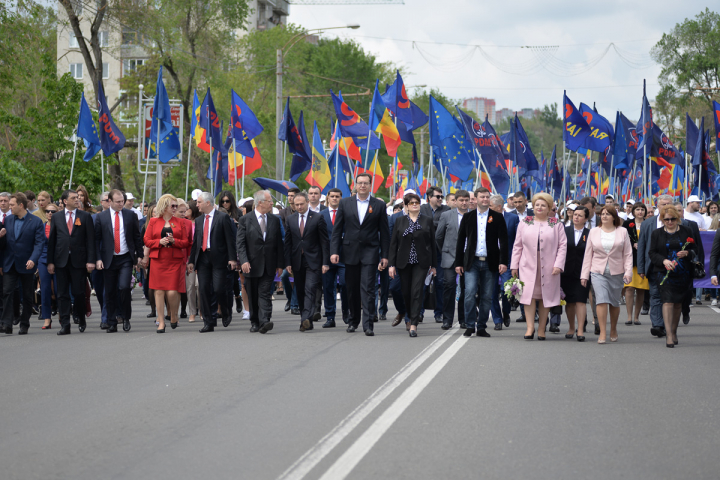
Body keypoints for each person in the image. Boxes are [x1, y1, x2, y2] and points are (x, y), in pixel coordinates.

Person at [330, 173, 390, 336]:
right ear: (354, 185)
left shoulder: (378, 205)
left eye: (366, 183)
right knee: (351, 288)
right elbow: (337, 230)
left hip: (370, 251)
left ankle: (368, 323)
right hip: (350, 252)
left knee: (368, 288)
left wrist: (385, 255)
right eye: (360, 183)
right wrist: (334, 251)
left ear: (370, 185)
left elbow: (384, 233)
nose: (362, 186)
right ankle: (353, 320)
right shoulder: (345, 203)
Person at [510, 192, 567, 340]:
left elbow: (562, 246)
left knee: (545, 296)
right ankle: (530, 328)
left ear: (549, 208)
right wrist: (514, 266)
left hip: (549, 266)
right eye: (537, 205)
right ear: (532, 207)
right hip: (527, 265)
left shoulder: (556, 224)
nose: (539, 208)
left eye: (543, 205)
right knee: (528, 296)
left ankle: (542, 328)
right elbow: (517, 246)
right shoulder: (525, 222)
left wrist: (558, 265)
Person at [456, 187, 509, 338]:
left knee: (487, 296)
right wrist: (458, 263)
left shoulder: (497, 217)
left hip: (490, 262)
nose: (485, 199)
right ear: (476, 199)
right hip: (471, 262)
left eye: (487, 197)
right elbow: (461, 241)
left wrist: (503, 262)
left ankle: (481, 326)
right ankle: (469, 324)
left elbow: (503, 241)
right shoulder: (468, 217)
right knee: (469, 292)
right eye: (482, 197)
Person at [580, 205, 633, 344]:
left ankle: (613, 328)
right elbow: (588, 255)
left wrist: (628, 272)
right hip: (597, 271)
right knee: (601, 300)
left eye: (607, 214)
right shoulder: (594, 232)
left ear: (613, 217)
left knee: (614, 303)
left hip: (617, 272)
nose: (604, 216)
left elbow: (627, 254)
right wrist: (584, 275)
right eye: (602, 214)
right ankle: (602, 332)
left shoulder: (622, 231)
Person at [47, 189, 96, 335]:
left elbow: (90, 241)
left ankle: (81, 318)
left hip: (79, 261)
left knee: (79, 292)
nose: (77, 200)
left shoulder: (85, 216)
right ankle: (65, 324)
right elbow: (52, 241)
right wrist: (50, 262)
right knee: (62, 294)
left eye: (77, 197)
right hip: (61, 261)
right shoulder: (56, 217)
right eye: (73, 198)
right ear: (64, 201)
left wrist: (90, 260)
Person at [94, 190, 143, 333]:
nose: (121, 204)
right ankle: (111, 322)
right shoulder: (101, 218)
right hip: (108, 259)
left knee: (124, 287)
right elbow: (96, 240)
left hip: (125, 258)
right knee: (109, 292)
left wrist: (139, 255)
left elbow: (136, 236)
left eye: (122, 201)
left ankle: (126, 318)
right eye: (118, 202)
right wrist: (97, 259)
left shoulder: (130, 215)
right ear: (109, 201)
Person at [188, 192, 238, 333]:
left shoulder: (222, 218)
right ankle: (209, 322)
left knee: (218, 288)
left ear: (207, 203)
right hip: (203, 258)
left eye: (198, 202)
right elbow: (196, 242)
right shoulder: (198, 220)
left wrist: (232, 258)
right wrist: (191, 261)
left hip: (219, 259)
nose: (196, 205)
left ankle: (226, 311)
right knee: (203, 289)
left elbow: (230, 239)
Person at [388, 193, 437, 337]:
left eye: (417, 202)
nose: (414, 205)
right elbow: (393, 244)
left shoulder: (427, 220)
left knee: (416, 292)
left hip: (421, 263)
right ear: (406, 205)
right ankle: (407, 315)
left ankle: (414, 324)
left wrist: (433, 265)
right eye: (411, 203)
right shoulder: (400, 221)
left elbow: (432, 244)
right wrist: (391, 264)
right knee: (405, 292)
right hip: (403, 262)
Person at [649, 204, 696, 348]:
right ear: (662, 220)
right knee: (667, 302)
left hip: (683, 273)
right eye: (667, 219)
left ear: (678, 218)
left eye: (673, 219)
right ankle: (668, 334)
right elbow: (652, 253)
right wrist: (664, 261)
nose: (670, 222)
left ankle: (674, 331)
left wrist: (687, 253)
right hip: (664, 273)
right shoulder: (657, 233)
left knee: (677, 304)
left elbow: (695, 249)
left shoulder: (686, 231)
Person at [237, 190, 284, 334]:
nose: (272, 203)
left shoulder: (275, 220)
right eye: (269, 201)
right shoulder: (246, 219)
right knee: (252, 293)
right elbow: (240, 243)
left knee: (264, 292)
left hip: (269, 264)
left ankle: (265, 321)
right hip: (251, 264)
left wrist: (280, 264)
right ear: (260, 203)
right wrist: (243, 261)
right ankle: (255, 321)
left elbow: (279, 244)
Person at [142, 194, 190, 333]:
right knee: (158, 291)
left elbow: (186, 242)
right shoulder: (153, 221)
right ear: (164, 206)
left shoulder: (180, 222)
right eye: (172, 206)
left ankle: (174, 315)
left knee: (172, 292)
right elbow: (146, 240)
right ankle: (161, 321)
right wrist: (158, 242)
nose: (175, 208)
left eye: (176, 206)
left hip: (174, 260)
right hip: (158, 260)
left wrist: (175, 241)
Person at [284, 192, 330, 332]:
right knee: (300, 291)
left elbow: (324, 241)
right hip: (297, 261)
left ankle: (305, 318)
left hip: (314, 260)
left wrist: (325, 262)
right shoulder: (290, 219)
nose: (299, 207)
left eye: (301, 204)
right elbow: (288, 243)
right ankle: (307, 320)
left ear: (307, 202)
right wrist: (288, 262)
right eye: (296, 205)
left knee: (310, 289)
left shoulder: (317, 217)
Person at [0, 193, 45, 335]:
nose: (9, 207)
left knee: (27, 295)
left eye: (12, 204)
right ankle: (6, 323)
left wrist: (33, 259)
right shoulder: (7, 220)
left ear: (20, 205)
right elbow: (4, 244)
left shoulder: (36, 221)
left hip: (27, 263)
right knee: (7, 292)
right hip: (9, 263)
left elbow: (39, 243)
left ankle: (24, 323)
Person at [436, 189, 470, 330]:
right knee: (449, 287)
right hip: (449, 257)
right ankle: (447, 319)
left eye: (466, 200)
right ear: (455, 201)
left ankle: (463, 319)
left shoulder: (473, 215)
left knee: (466, 288)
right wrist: (446, 250)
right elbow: (438, 236)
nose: (463, 203)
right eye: (460, 200)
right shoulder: (446, 215)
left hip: (467, 258)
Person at [489, 194, 519, 330]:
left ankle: (506, 312)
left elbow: (518, 240)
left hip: (507, 260)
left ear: (499, 207)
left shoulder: (513, 218)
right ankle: (497, 320)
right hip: (491, 260)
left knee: (507, 290)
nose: (488, 208)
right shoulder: (487, 218)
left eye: (490, 206)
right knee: (491, 291)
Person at [420, 186, 449, 323]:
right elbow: (419, 226)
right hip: (423, 252)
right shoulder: (421, 209)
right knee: (421, 284)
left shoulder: (447, 210)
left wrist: (429, 223)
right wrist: (436, 224)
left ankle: (439, 313)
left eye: (441, 197)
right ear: (429, 198)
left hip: (440, 252)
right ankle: (419, 312)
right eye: (437, 196)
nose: (440, 199)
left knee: (440, 283)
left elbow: (446, 226)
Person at [561, 206, 591, 341]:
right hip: (566, 272)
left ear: (585, 218)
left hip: (583, 272)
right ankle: (571, 327)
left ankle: (580, 330)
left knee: (581, 300)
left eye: (579, 215)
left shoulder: (590, 233)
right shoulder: (564, 230)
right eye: (575, 214)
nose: (576, 217)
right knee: (570, 302)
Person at [320, 188, 348, 328]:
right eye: (332, 196)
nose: (335, 199)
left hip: (344, 256)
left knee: (345, 284)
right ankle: (330, 316)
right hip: (327, 257)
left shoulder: (347, 214)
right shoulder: (321, 215)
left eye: (337, 196)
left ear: (341, 198)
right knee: (328, 287)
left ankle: (346, 313)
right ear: (328, 198)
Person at [623, 202, 649, 326]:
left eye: (642, 209)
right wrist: (631, 244)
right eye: (637, 209)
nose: (640, 212)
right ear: (633, 211)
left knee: (641, 289)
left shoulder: (648, 223)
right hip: (630, 259)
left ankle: (636, 317)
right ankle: (629, 316)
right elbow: (622, 239)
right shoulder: (627, 224)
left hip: (644, 260)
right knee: (629, 288)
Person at [38, 203, 58, 329]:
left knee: (58, 290)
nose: (50, 213)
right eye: (47, 211)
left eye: (53, 211)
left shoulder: (61, 226)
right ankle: (47, 318)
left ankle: (62, 316)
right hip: (43, 259)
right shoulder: (41, 227)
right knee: (44, 289)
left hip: (58, 260)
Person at [184, 200, 201, 322]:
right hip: (188, 257)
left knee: (199, 285)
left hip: (200, 257)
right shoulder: (184, 223)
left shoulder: (200, 222)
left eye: (187, 208)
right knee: (190, 286)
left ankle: (202, 310)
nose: (185, 211)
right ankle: (192, 312)